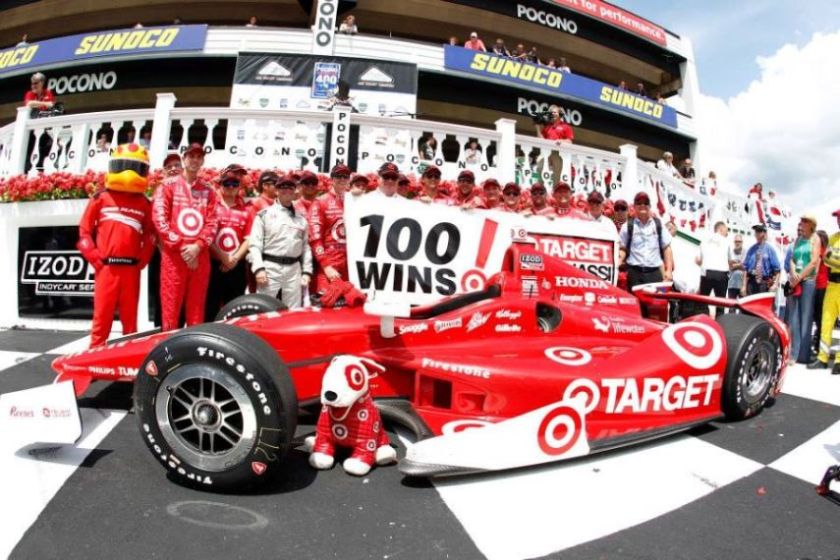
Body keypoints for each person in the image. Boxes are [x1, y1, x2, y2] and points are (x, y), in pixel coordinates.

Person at [77, 144, 155, 347]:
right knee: (102, 319)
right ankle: (93, 361)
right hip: (107, 268)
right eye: (124, 165)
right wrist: (95, 258)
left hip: (131, 270)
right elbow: (84, 231)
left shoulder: (144, 204)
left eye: (135, 167)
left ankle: (128, 362)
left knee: (130, 322)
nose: (129, 172)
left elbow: (150, 234)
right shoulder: (100, 198)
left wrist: (143, 260)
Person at [152, 143, 218, 331]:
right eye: (191, 156)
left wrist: (197, 247)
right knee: (171, 310)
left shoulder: (209, 191)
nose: (195, 160)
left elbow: (212, 223)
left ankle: (192, 352)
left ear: (203, 160)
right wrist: (182, 247)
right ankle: (168, 354)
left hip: (200, 255)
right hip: (174, 256)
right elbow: (159, 218)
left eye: (199, 157)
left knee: (196, 311)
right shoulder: (167, 186)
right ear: (184, 159)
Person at [249, 175, 313, 308]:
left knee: (293, 311)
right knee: (263, 308)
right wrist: (259, 269)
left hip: (293, 270)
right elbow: (255, 245)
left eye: (290, 187)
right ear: (277, 190)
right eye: (282, 187)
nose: (287, 190)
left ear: (295, 191)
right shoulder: (264, 215)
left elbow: (306, 248)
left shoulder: (301, 219)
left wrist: (307, 271)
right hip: (269, 268)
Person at [204, 164, 251, 322]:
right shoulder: (211, 206)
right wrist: (223, 257)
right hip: (213, 264)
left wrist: (234, 259)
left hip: (236, 266)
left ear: (239, 187)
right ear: (220, 185)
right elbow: (205, 234)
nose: (231, 187)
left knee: (235, 311)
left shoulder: (246, 210)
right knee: (209, 309)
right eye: (227, 184)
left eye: (234, 184)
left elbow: (248, 239)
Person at [619, 192, 674, 317]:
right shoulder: (627, 226)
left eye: (645, 203)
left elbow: (667, 249)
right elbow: (622, 249)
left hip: (654, 274)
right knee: (636, 310)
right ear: (634, 206)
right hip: (635, 273)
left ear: (649, 206)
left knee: (656, 310)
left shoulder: (659, 225)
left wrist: (668, 271)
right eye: (639, 203)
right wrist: (617, 262)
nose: (642, 205)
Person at [309, 164, 350, 296]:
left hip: (350, 265)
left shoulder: (354, 202)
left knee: (349, 310)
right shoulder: (320, 202)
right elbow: (315, 239)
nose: (342, 179)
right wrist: (326, 266)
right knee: (327, 304)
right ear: (332, 179)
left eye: (345, 176)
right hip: (329, 265)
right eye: (338, 176)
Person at [786, 215, 822, 363]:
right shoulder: (798, 239)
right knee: (793, 317)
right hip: (796, 281)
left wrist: (799, 277)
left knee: (806, 317)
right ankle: (793, 354)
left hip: (807, 282)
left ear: (811, 224)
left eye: (804, 222)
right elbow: (792, 259)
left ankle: (804, 354)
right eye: (801, 221)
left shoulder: (815, 239)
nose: (801, 224)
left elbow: (814, 262)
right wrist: (793, 273)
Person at [809, 209, 840, 372]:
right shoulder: (834, 237)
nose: (838, 221)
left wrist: (834, 259)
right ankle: (822, 357)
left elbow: (830, 259)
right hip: (831, 285)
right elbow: (826, 260)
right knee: (826, 322)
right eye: (837, 218)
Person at [740, 224, 780, 297]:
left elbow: (777, 270)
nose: (757, 233)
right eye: (756, 231)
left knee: (762, 306)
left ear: (764, 233)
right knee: (750, 306)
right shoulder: (751, 249)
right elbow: (745, 269)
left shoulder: (770, 249)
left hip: (764, 283)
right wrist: (743, 286)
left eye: (759, 231)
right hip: (751, 282)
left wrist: (775, 284)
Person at [696, 221, 730, 303]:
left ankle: (703, 314)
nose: (727, 233)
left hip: (706, 273)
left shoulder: (704, 241)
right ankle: (720, 315)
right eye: (726, 230)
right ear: (720, 229)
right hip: (721, 274)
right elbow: (730, 261)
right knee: (721, 303)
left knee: (703, 302)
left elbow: (698, 260)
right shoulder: (727, 242)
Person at [812, 230, 830, 359]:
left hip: (821, 287)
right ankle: (817, 344)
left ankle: (818, 346)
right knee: (819, 318)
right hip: (820, 287)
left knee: (819, 318)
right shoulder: (823, 250)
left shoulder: (822, 251)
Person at [728, 233, 746, 300]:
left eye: (739, 241)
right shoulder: (730, 252)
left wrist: (735, 264)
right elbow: (730, 267)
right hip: (732, 284)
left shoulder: (746, 252)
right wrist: (740, 264)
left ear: (742, 242)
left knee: (742, 308)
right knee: (731, 307)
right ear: (734, 242)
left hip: (742, 285)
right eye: (736, 241)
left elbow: (745, 267)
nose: (738, 243)